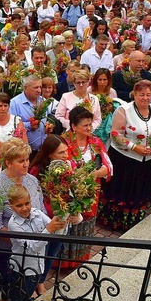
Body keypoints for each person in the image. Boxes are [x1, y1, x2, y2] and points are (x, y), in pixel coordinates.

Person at [1, 185, 65, 301]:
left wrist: (63, 220)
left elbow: (55, 231)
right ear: (11, 206)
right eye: (19, 205)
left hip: (37, 267)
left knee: (23, 300)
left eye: (27, 203)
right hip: (21, 270)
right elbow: (31, 247)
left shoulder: (37, 213)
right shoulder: (13, 224)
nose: (25, 208)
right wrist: (48, 230)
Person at [102, 80, 151, 230]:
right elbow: (115, 133)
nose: (145, 98)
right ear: (135, 94)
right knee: (122, 189)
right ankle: (115, 222)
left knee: (140, 189)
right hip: (125, 159)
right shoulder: (124, 110)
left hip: (148, 159)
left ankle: (133, 220)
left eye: (149, 94)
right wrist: (134, 147)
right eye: (141, 94)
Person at [60, 106, 111, 266]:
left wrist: (95, 174)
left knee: (86, 224)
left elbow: (107, 166)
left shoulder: (95, 142)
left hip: (91, 193)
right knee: (68, 223)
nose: (89, 128)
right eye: (85, 125)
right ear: (73, 126)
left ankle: (78, 260)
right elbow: (58, 166)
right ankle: (61, 261)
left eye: (90, 124)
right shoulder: (62, 142)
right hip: (68, 191)